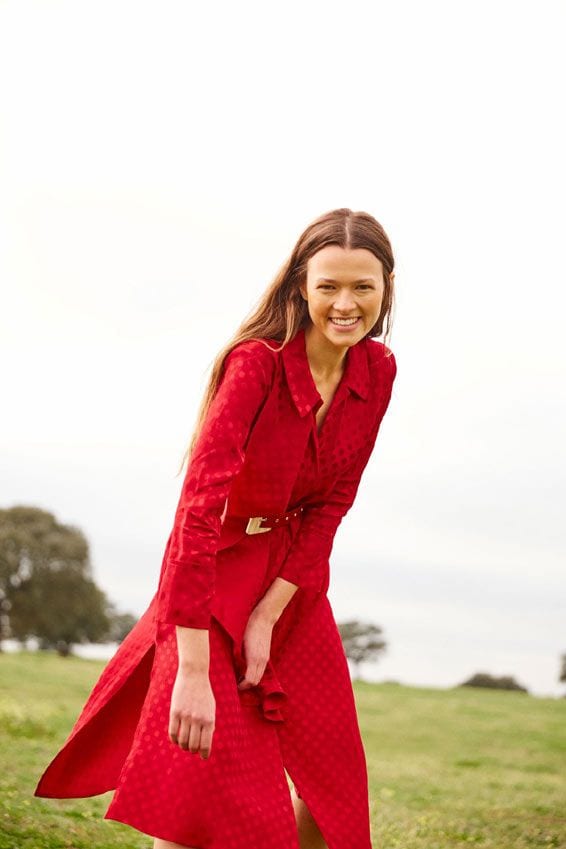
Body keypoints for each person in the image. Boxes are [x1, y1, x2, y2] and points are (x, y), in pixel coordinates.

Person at [34, 207, 398, 849]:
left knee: (333, 796)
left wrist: (269, 615)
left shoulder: (378, 371)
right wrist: (193, 669)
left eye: (362, 287)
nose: (346, 303)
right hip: (212, 575)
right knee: (196, 787)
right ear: (300, 288)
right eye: (328, 287)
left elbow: (333, 504)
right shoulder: (254, 364)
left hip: (291, 584)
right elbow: (197, 513)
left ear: (385, 288)